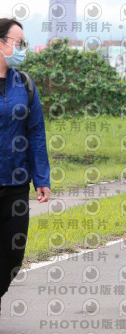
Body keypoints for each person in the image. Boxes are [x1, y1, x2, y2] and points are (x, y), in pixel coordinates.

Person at [0, 19, 51, 315]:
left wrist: (41, 178)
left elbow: (36, 132)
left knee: (12, 256)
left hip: (16, 184)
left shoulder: (25, 84)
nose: (22, 48)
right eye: (18, 42)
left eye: (23, 43)